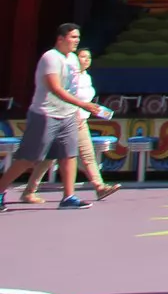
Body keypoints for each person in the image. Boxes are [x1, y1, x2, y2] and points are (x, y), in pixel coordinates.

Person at [1, 25, 112, 211]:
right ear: (60, 39)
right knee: (29, 158)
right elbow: (55, 88)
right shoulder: (50, 57)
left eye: (78, 37)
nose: (76, 40)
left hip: (68, 115)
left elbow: (73, 88)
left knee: (68, 155)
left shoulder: (73, 60)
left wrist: (79, 109)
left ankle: (68, 197)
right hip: (46, 114)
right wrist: (83, 104)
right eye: (72, 37)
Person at [20, 47, 118, 204]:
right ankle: (30, 191)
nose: (86, 60)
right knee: (51, 157)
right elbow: (62, 95)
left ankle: (99, 187)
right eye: (83, 57)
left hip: (80, 120)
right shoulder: (69, 76)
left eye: (89, 58)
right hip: (66, 119)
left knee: (78, 155)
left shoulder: (86, 77)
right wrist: (74, 111)